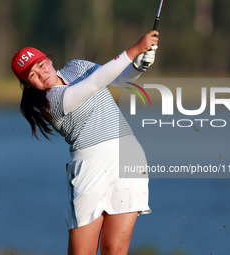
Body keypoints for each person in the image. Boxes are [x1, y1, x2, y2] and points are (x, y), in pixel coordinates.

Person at [11, 30, 159, 255]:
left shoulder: (76, 66)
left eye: (41, 65)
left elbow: (118, 78)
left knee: (115, 249)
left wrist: (138, 65)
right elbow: (95, 83)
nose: (41, 75)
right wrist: (135, 50)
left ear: (49, 60)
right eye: (32, 75)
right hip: (91, 167)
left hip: (129, 155)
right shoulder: (50, 102)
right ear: (27, 84)